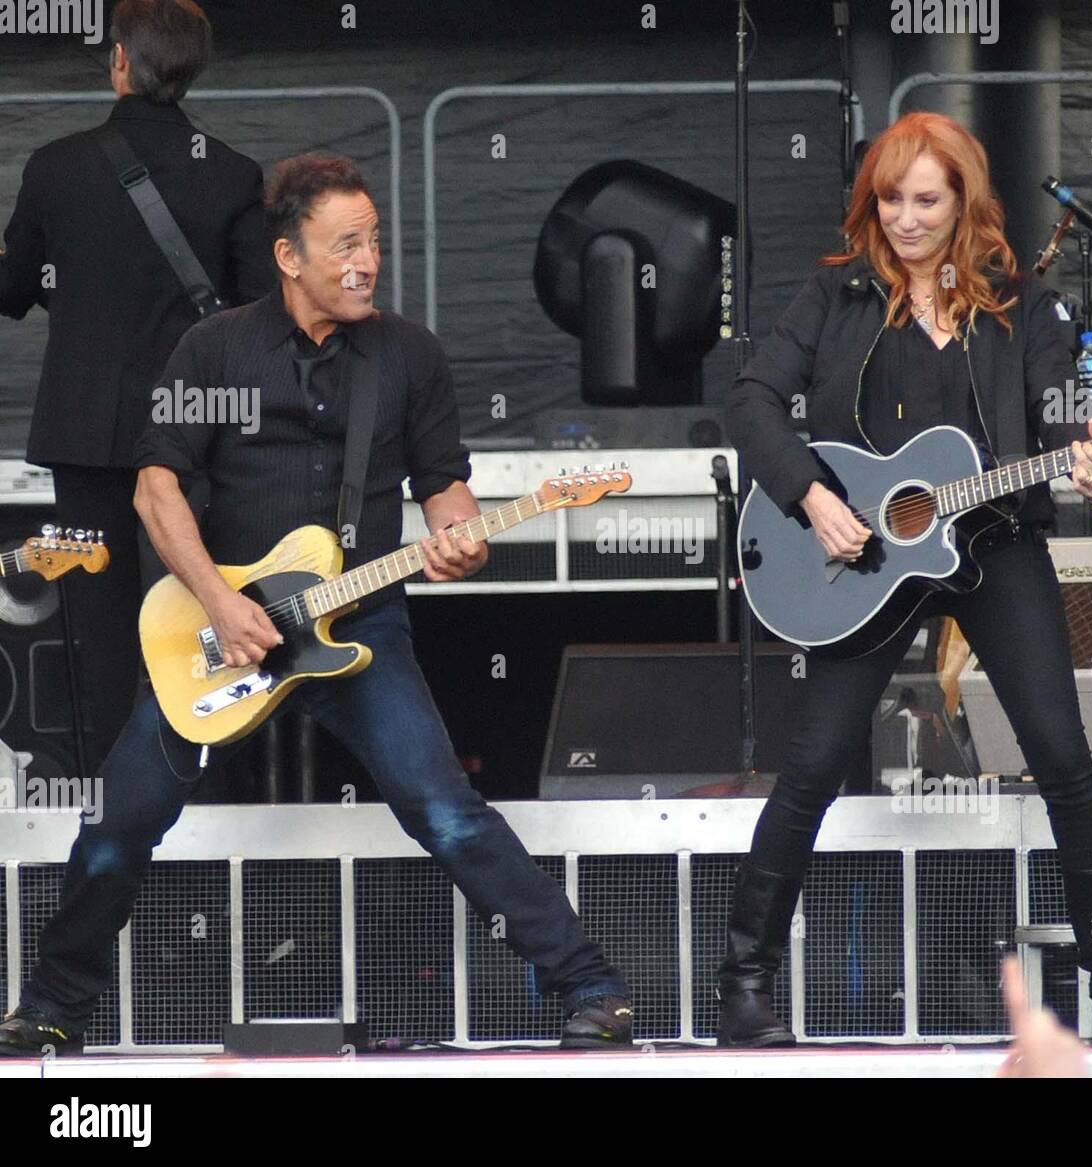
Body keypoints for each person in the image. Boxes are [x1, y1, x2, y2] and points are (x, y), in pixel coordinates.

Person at [0, 153, 633, 1055]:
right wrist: (220, 602)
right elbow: (154, 491)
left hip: (358, 621)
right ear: (289, 255)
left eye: (373, 242)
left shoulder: (410, 355)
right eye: (345, 245)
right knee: (120, 819)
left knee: (445, 809)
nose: (367, 261)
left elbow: (446, 490)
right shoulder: (213, 350)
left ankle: (593, 986)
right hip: (223, 628)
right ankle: (56, 1006)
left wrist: (465, 540)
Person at [718, 111, 1092, 1047]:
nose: (906, 220)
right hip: (868, 554)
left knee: (1064, 758)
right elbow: (749, 398)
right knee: (815, 763)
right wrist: (812, 496)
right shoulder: (839, 294)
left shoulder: (1018, 302)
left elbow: (1061, 408)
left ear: (963, 202)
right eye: (891, 199)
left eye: (926, 201)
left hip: (993, 549)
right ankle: (745, 984)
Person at [0, 0, 275, 774]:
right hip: (196, 438)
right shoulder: (232, 174)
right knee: (207, 616)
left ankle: (111, 805)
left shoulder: (56, 166)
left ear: (120, 60)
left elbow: (13, 288)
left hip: (85, 434)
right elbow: (259, 317)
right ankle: (207, 791)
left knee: (101, 628)